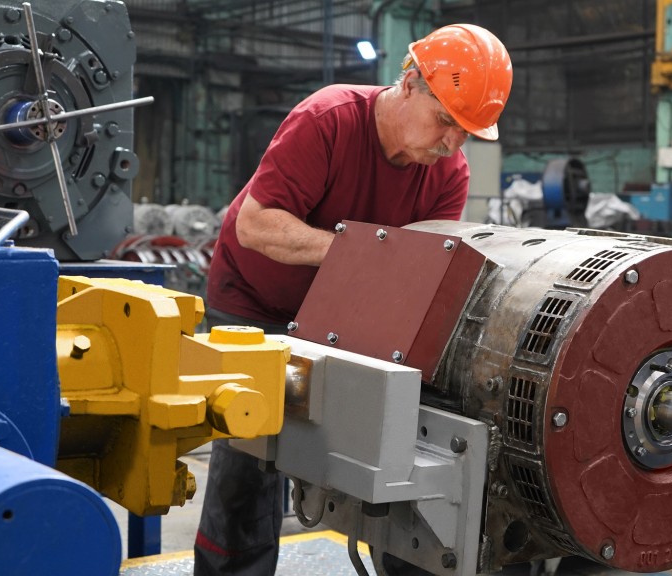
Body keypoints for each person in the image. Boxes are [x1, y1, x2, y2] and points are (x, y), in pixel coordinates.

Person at [193, 23, 512, 576]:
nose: (451, 144)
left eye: (466, 133)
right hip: (252, 299)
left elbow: (414, 276)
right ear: (409, 84)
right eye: (445, 121)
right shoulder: (328, 120)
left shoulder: (447, 173)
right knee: (247, 455)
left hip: (337, 312)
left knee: (390, 438)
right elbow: (256, 225)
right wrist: (363, 254)